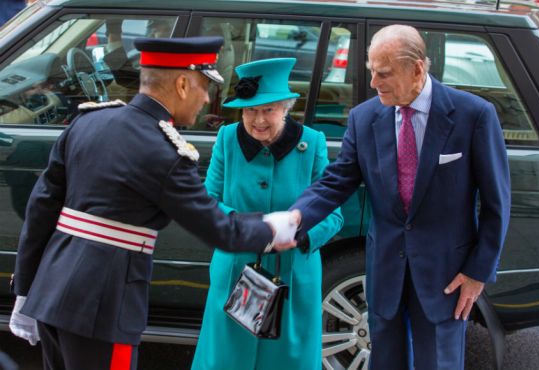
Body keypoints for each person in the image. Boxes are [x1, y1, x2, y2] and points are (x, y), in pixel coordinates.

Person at [8, 36, 299, 370]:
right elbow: (220, 230)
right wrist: (275, 228)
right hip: (103, 306)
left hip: (51, 293)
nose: (206, 99)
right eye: (205, 87)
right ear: (182, 83)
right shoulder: (163, 152)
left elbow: (42, 207)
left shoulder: (88, 122)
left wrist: (26, 287)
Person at [291, 25, 511, 369]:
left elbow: (497, 204)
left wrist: (478, 272)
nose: (375, 82)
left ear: (418, 69)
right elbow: (337, 180)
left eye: (385, 73)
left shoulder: (473, 115)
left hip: (446, 276)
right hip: (385, 272)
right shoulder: (364, 118)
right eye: (372, 72)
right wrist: (295, 218)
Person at [191, 58, 343, 370]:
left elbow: (333, 212)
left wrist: (297, 233)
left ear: (286, 108)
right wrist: (251, 227)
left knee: (287, 360)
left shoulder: (311, 143)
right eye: (251, 110)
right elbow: (207, 201)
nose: (258, 119)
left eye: (268, 110)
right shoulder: (228, 139)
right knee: (227, 359)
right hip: (235, 272)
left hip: (293, 276)